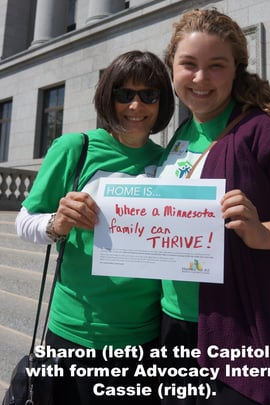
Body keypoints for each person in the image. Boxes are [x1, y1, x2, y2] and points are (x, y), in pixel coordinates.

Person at [156, 8, 270, 404]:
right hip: (173, 326)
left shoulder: (265, 130)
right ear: (173, 68)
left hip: (242, 330)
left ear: (237, 69)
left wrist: (263, 232)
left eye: (216, 66)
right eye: (189, 65)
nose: (201, 79)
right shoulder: (181, 133)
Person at [15, 50, 175, 405]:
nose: (135, 106)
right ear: (108, 97)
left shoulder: (167, 162)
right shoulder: (76, 148)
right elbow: (24, 221)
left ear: (162, 102)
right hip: (75, 332)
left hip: (143, 337)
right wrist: (58, 221)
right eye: (124, 94)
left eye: (149, 95)